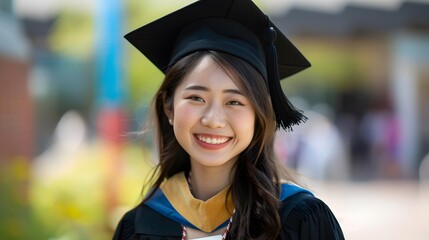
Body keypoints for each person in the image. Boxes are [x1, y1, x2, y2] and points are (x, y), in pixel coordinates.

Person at [113, 0, 344, 239]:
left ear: (259, 114)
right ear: (168, 107)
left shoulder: (299, 219)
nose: (213, 120)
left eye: (234, 102)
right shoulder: (137, 227)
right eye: (196, 98)